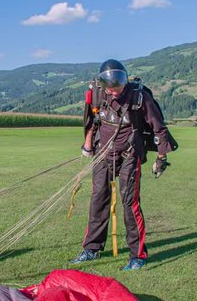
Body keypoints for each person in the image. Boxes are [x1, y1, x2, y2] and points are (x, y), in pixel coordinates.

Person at [73, 59, 173, 271]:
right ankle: (92, 249)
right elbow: (92, 120)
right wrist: (88, 145)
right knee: (98, 198)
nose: (114, 91)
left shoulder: (139, 97)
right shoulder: (98, 93)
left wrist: (161, 158)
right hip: (103, 153)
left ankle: (137, 255)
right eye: (110, 87)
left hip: (129, 154)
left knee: (130, 203)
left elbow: (160, 129)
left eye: (117, 86)